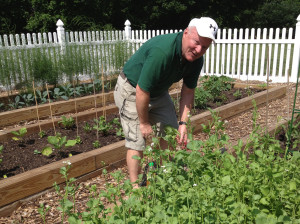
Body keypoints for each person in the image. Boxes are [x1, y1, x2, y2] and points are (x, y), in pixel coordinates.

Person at [114, 17, 218, 186]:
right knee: (137, 141)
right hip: (132, 89)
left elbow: (188, 90)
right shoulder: (162, 51)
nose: (198, 49)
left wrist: (183, 123)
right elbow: (142, 90)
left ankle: (165, 175)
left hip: (157, 91)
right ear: (186, 33)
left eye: (204, 47)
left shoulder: (196, 60)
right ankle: (135, 190)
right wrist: (144, 123)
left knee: (171, 132)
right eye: (196, 42)